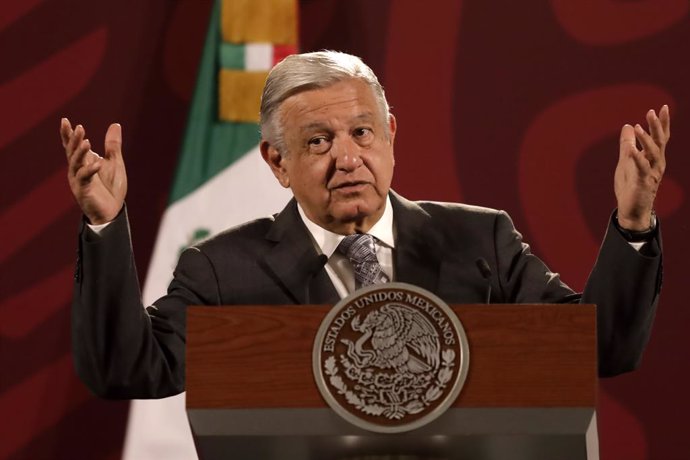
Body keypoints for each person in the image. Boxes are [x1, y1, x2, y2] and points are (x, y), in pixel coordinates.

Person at [61, 51, 669, 399]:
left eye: (362, 133)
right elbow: (126, 370)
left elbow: (598, 349)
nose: (348, 158)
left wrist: (634, 221)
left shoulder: (479, 243)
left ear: (391, 137)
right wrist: (104, 227)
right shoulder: (223, 271)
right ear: (277, 162)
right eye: (319, 140)